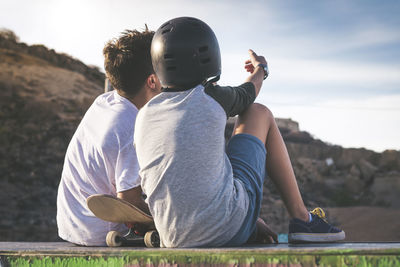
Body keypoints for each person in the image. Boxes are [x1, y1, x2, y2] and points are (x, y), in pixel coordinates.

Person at [134, 17, 345, 247]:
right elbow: (249, 92)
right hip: (226, 229)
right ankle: (303, 219)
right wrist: (260, 69)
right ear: (208, 57)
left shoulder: (143, 116)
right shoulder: (209, 96)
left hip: (172, 238)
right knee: (257, 112)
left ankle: (246, 221)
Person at [56, 28, 162, 246]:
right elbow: (128, 201)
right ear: (152, 81)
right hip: (102, 234)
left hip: (71, 225)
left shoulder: (105, 101)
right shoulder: (133, 126)